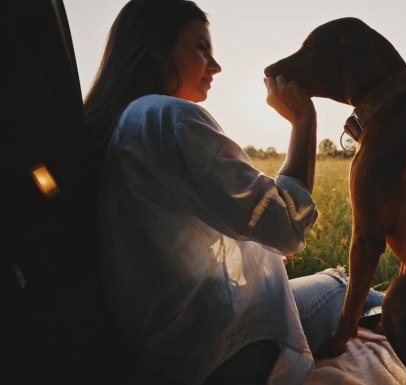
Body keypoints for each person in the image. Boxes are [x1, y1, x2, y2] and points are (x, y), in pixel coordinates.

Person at [84, 0, 382, 384]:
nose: (216, 65)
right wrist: (304, 121)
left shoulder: (125, 125)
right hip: (225, 351)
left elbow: (172, 246)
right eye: (201, 48)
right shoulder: (170, 118)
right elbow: (286, 224)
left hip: (169, 350)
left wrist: (253, 252)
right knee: (339, 283)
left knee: (331, 287)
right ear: (155, 51)